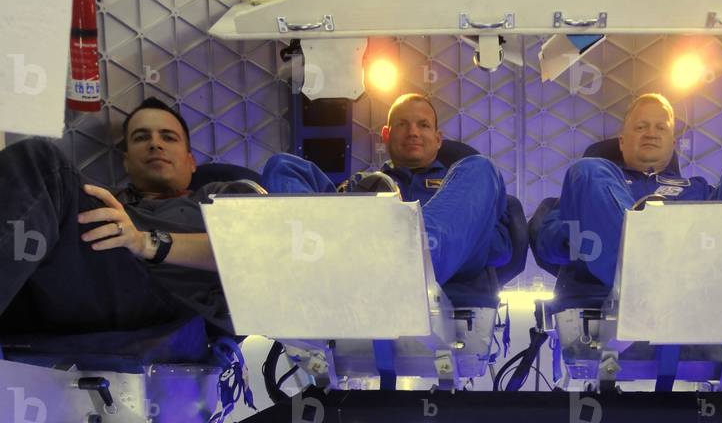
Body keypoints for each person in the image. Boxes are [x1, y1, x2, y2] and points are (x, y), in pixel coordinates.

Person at [1, 97, 238, 335]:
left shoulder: (215, 194)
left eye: (168, 137)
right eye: (141, 137)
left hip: (174, 312)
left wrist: (146, 242)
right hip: (74, 291)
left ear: (191, 161)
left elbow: (257, 247)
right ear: (126, 161)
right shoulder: (101, 199)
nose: (155, 144)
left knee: (45, 165)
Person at [531, 92, 722, 290]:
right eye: (640, 127)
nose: (651, 133)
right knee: (588, 168)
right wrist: (586, 227)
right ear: (622, 141)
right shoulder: (595, 182)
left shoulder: (698, 189)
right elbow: (548, 245)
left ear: (673, 143)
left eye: (660, 127)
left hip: (702, 274)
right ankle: (640, 266)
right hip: (622, 285)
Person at [260, 92, 513, 286]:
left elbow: (501, 248)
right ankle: (311, 263)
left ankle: (418, 252)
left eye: (423, 125)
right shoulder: (363, 183)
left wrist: (455, 233)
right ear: (386, 134)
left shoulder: (464, 187)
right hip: (358, 261)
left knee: (481, 166)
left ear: (438, 139)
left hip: (435, 269)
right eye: (402, 124)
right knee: (283, 165)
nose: (413, 132)